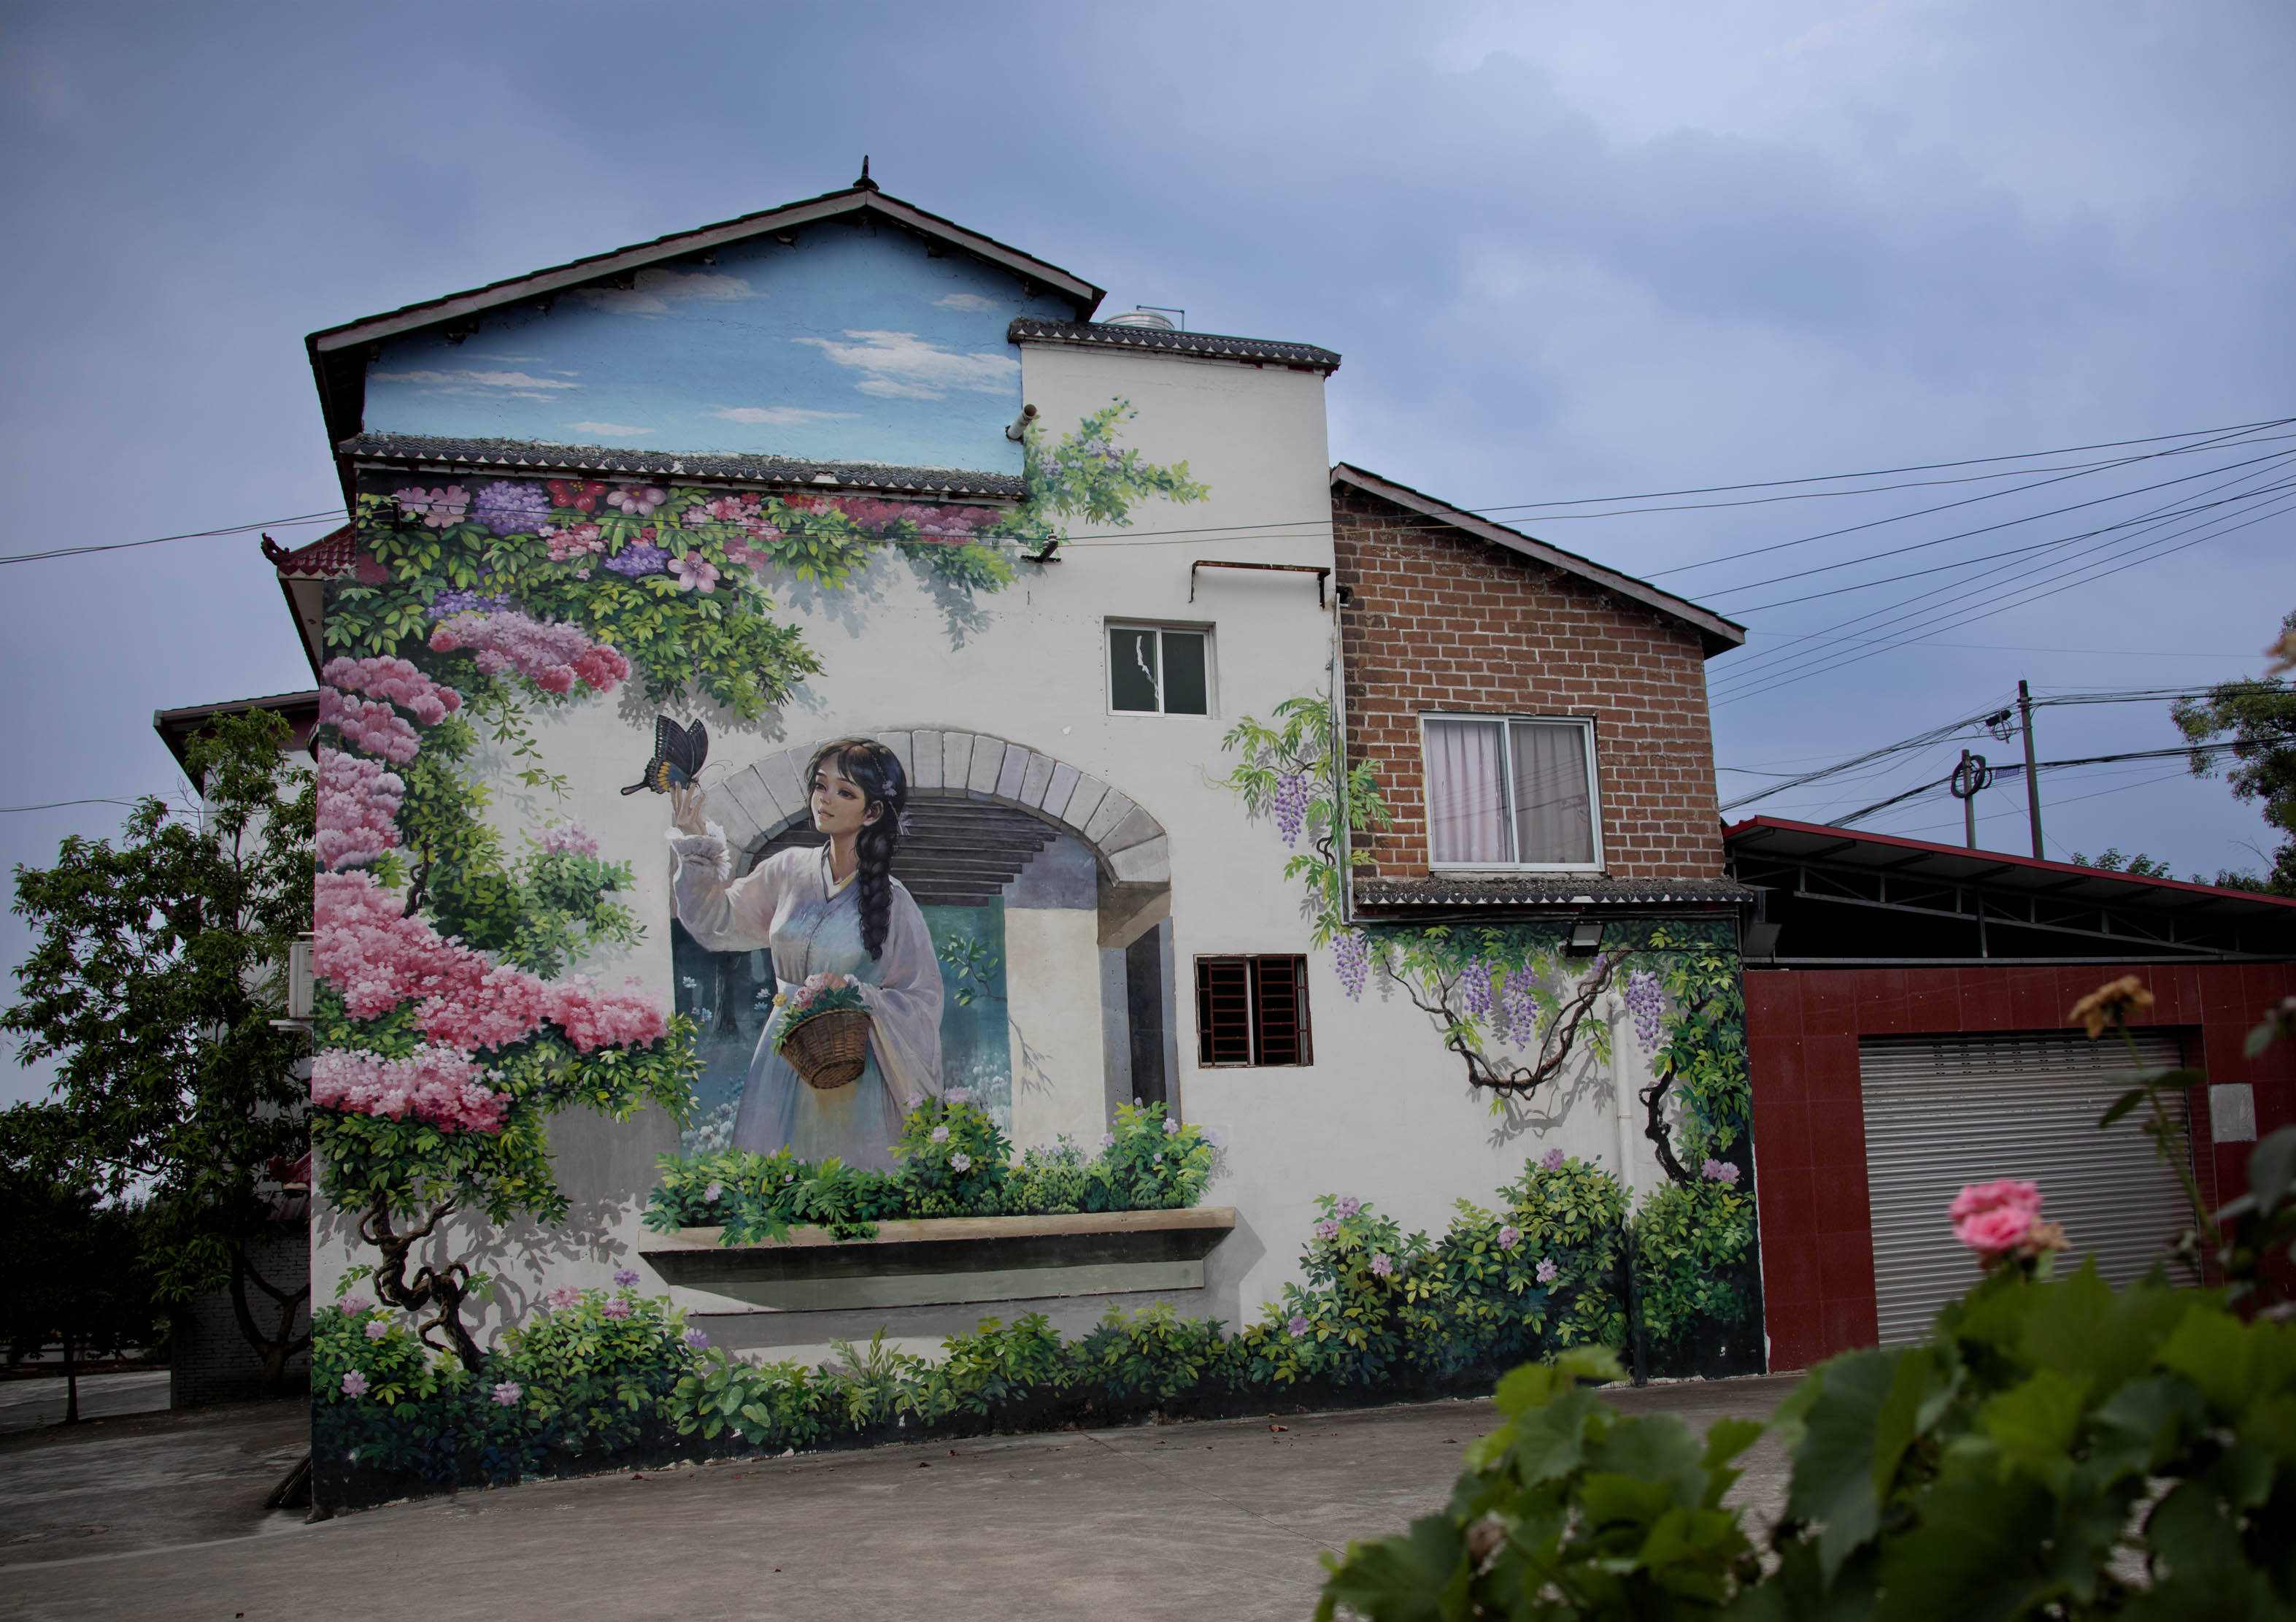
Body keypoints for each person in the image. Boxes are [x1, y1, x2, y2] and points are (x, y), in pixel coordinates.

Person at [666, 739, 941, 1170]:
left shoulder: (896, 902)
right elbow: (718, 922)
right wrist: (695, 847)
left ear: (872, 813)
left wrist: (856, 992)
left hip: (854, 1067)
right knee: (776, 1175)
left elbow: (922, 1000)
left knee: (846, 1179)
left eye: (844, 792)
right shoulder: (787, 869)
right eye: (820, 786)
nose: (825, 799)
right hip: (783, 1056)